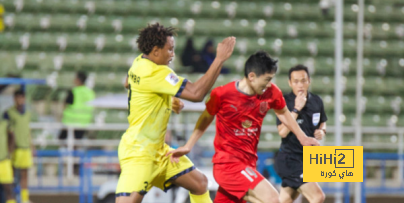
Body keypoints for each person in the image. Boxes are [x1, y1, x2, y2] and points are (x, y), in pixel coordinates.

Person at [167, 51, 319, 203]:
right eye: (266, 80)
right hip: (228, 165)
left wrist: (302, 137)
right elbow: (206, 118)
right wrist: (188, 145)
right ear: (251, 76)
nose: (269, 84)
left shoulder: (271, 92)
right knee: (272, 199)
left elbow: (283, 112)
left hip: (249, 164)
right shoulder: (222, 94)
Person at [116, 23, 235, 203]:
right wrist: (218, 59)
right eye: (170, 50)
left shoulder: (139, 61)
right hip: (139, 152)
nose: (173, 54)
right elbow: (196, 94)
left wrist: (165, 100)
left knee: (200, 183)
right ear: (156, 51)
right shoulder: (157, 72)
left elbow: (128, 83)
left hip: (159, 152)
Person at [274, 65, 327, 203]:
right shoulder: (284, 102)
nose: (300, 85)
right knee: (318, 196)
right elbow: (283, 132)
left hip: (308, 160)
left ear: (309, 81)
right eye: (296, 81)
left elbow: (323, 122)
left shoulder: (317, 101)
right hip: (290, 159)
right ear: (290, 83)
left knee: (284, 200)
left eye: (303, 80)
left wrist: (322, 131)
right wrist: (297, 109)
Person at [3, 90, 33, 203]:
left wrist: (32, 145)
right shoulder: (8, 113)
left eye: (22, 98)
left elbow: (28, 131)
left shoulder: (27, 113)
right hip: (14, 149)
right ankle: (12, 198)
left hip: (25, 148)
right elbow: (8, 132)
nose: (20, 100)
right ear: (14, 99)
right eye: (17, 98)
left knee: (24, 173)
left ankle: (25, 198)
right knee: (11, 176)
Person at [59, 71, 95, 140]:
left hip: (70, 122)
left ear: (78, 80)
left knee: (62, 141)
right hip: (84, 122)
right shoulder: (90, 92)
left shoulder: (74, 91)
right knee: (77, 143)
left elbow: (65, 105)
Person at [0, 117, 16, 203]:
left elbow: (12, 136)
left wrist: (10, 150)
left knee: (8, 190)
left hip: (4, 162)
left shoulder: (5, 123)